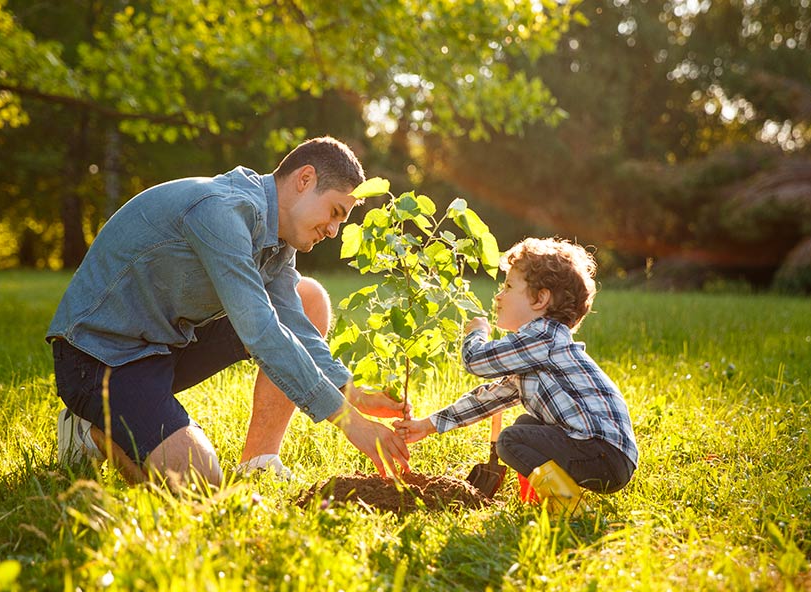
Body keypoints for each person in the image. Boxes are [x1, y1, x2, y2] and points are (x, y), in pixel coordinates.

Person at [47, 137, 410, 489]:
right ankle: (89, 432)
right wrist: (350, 423)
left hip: (163, 345)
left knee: (308, 298)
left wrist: (350, 392)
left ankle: (259, 462)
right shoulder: (222, 211)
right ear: (305, 179)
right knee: (200, 483)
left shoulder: (278, 240)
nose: (333, 231)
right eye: (335, 213)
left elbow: (294, 324)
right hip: (100, 358)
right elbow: (261, 330)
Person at [393, 237, 637, 510]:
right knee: (524, 425)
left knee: (510, 440)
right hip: (606, 454)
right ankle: (539, 500)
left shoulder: (542, 337)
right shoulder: (537, 351)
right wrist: (427, 425)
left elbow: (475, 361)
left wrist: (477, 333)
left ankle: (569, 507)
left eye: (508, 286)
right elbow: (488, 398)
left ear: (540, 299)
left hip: (602, 453)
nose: (498, 295)